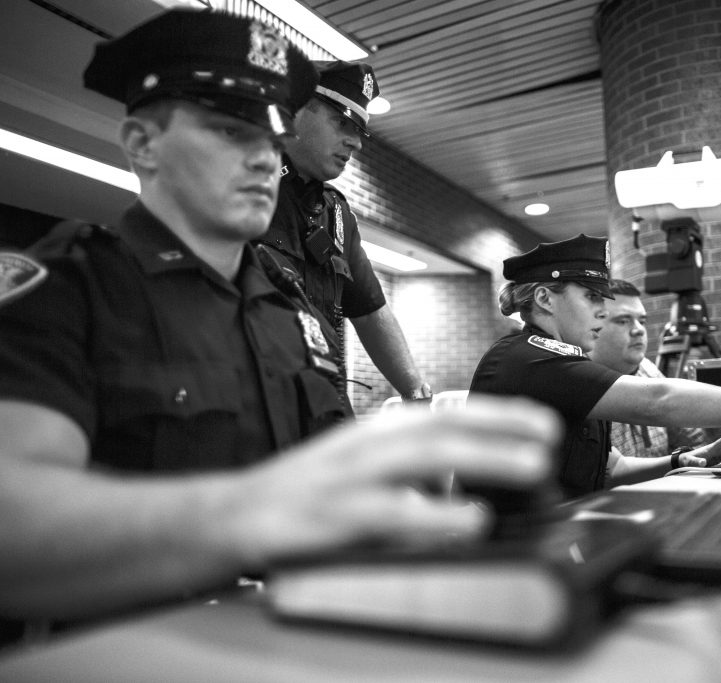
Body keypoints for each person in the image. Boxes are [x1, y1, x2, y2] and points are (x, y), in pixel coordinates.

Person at [0, 9, 560, 626]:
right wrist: (244, 516)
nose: (265, 160)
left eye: (270, 139)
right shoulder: (71, 288)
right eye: (230, 131)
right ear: (142, 144)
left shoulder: (289, 321)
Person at [470, 234, 721, 499]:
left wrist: (683, 459)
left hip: (560, 536)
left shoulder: (562, 363)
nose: (602, 310)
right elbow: (658, 399)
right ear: (545, 298)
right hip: (513, 558)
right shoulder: (528, 358)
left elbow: (613, 469)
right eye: (592, 297)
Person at [256, 59, 430, 413]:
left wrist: (415, 394)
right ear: (298, 111)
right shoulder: (250, 189)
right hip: (262, 402)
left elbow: (370, 312)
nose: (356, 143)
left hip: (324, 403)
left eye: (359, 130)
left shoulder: (335, 213)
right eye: (341, 122)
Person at [589, 278, 721, 465]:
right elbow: (613, 474)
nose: (639, 330)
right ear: (592, 325)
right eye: (623, 321)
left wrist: (703, 459)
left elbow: (689, 436)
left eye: (642, 321)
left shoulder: (647, 369)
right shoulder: (579, 382)